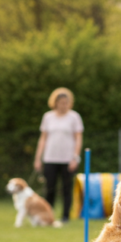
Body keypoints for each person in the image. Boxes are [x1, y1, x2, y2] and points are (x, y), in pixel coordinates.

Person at [34, 87, 84, 223]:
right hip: (50, 158)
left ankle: (65, 217)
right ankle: (47, 216)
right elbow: (43, 138)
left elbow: (78, 138)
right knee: (49, 188)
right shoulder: (47, 117)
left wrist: (75, 157)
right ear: (55, 102)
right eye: (61, 102)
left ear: (69, 103)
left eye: (66, 102)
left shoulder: (74, 117)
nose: (64, 105)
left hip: (68, 159)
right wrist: (38, 158)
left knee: (66, 189)